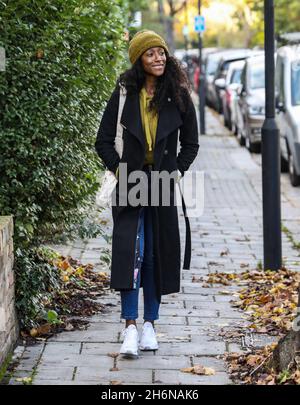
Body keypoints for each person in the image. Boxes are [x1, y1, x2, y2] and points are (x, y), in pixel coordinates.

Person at [95, 30, 199, 358]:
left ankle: (150, 326)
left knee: (155, 254)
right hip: (131, 182)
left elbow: (191, 144)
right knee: (131, 252)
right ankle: (129, 327)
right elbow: (103, 141)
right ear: (139, 59)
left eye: (161, 52)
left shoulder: (179, 93)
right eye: (150, 53)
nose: (158, 58)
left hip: (161, 183)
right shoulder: (125, 93)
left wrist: (175, 172)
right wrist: (121, 171)